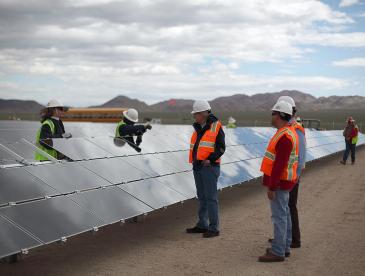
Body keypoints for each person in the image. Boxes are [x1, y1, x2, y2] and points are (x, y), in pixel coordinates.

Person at [258, 100, 299, 262]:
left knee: (279, 217)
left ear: (280, 115)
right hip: (285, 182)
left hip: (280, 183)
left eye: (273, 113)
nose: (272, 116)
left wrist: (272, 187)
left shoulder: (285, 137)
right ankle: (284, 246)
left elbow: (279, 165)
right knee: (285, 214)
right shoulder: (286, 132)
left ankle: (278, 251)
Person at [186, 100, 225, 238]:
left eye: (195, 114)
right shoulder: (198, 127)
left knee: (211, 198)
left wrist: (211, 159)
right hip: (198, 166)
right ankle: (202, 224)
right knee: (202, 197)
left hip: (209, 167)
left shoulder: (216, 126)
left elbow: (221, 147)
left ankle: (214, 228)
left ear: (203, 113)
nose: (194, 116)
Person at [275, 96, 306, 248]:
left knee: (289, 206)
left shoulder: (296, 129)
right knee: (285, 207)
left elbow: (300, 157)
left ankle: (294, 239)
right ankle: (284, 237)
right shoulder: (290, 127)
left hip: (291, 176)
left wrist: (296, 177)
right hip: (290, 175)